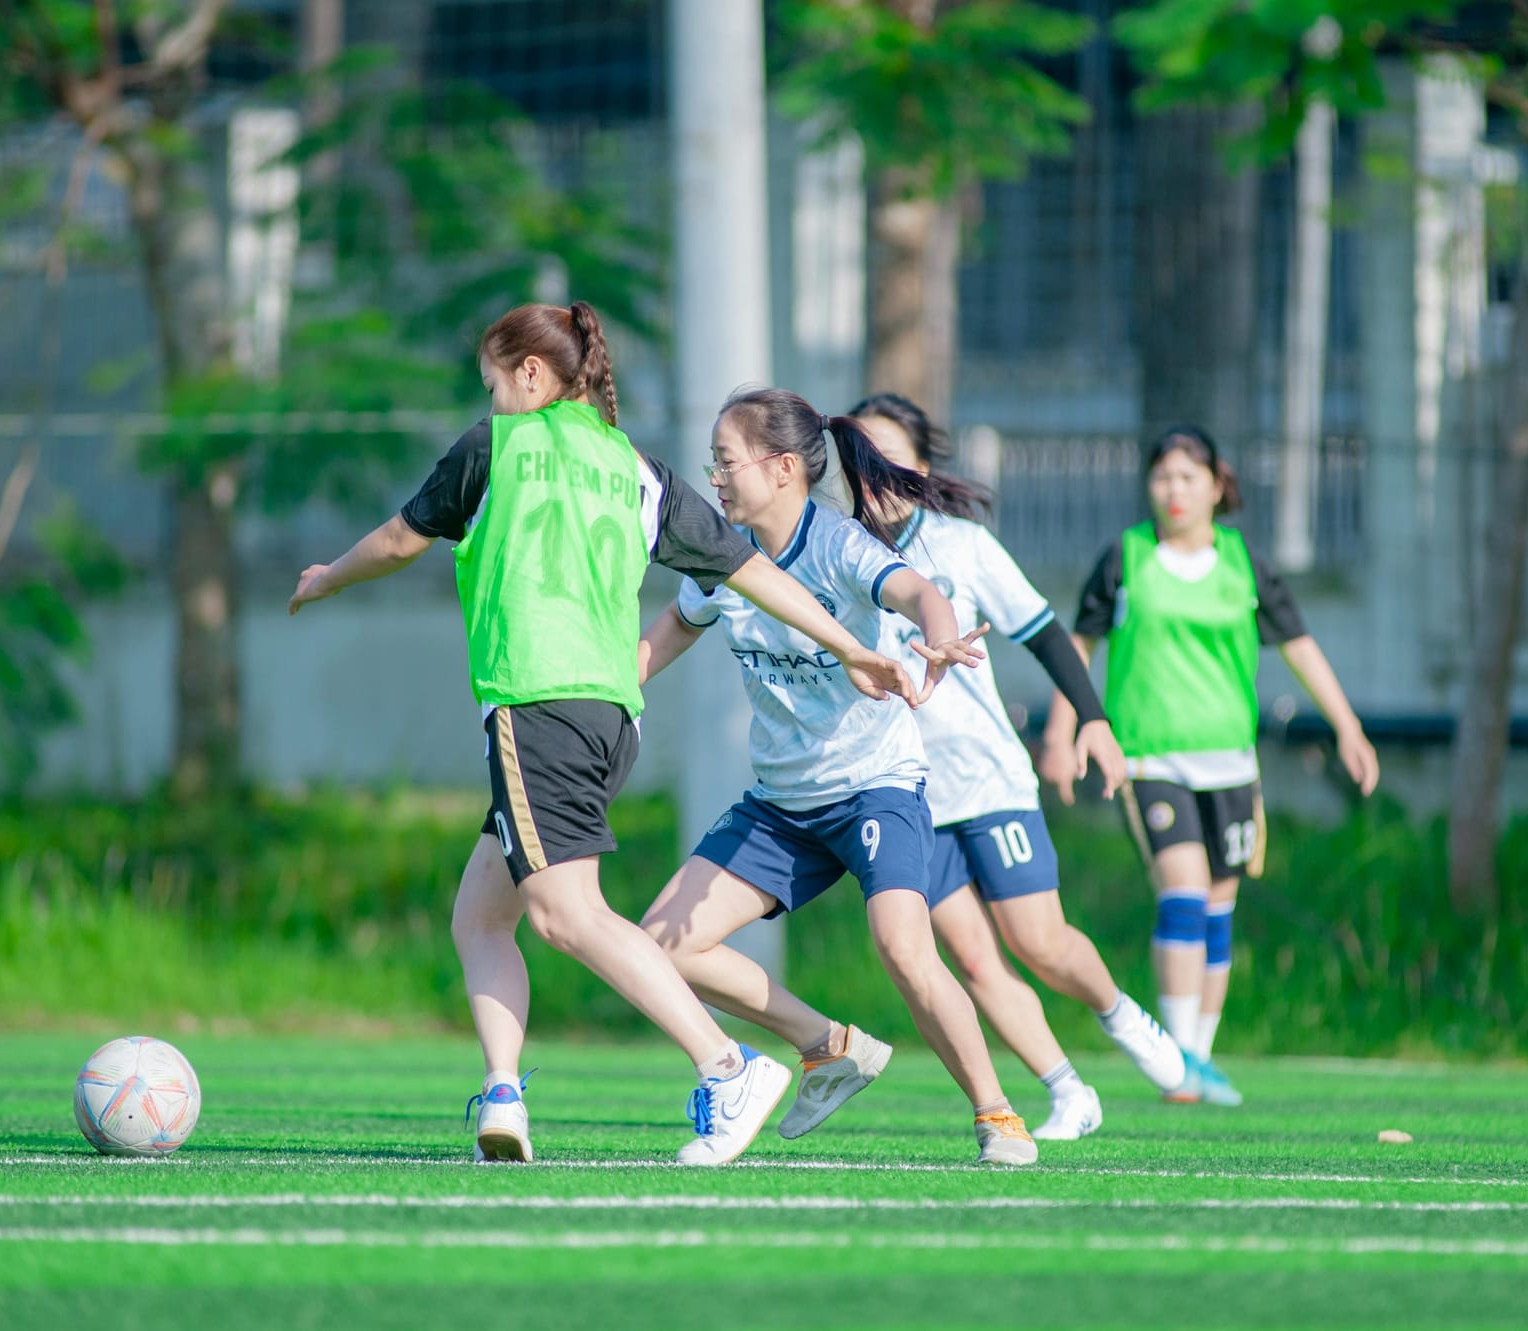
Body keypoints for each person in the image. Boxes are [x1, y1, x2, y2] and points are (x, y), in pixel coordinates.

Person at [288, 302, 927, 1166]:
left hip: (537, 703)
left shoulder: (495, 446)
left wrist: (328, 576)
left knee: (566, 913)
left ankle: (727, 1066)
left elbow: (403, 539)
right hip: (609, 713)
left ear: (530, 375)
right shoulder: (637, 467)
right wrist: (851, 644)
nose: (491, 399)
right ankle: (504, 1094)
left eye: (492, 384)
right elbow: (748, 571)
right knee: (481, 917)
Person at [637, 386, 1037, 1165]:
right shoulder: (718, 557)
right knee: (662, 942)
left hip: (873, 785)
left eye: (725, 460)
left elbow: (920, 592)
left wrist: (939, 638)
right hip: (782, 804)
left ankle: (998, 1115)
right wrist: (603, 694)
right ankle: (828, 1046)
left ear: (782, 468)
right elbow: (657, 643)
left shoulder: (838, 546)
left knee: (903, 948)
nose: (713, 477)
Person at [847, 392, 1186, 1141]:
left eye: (886, 451)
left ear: (921, 466)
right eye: (857, 452)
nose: (870, 468)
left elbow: (1043, 631)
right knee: (971, 957)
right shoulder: (839, 549)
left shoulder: (961, 546)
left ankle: (1119, 1012)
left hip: (988, 777)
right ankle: (1068, 1091)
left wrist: (1091, 721)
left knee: (1039, 941)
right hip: (906, 788)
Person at [1041, 424, 1379, 1106]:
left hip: (1230, 764)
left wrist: (1348, 726)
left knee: (1219, 910)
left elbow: (1299, 644)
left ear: (1217, 485)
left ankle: (1198, 1055)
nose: (1173, 490)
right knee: (1184, 889)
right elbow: (1076, 645)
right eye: (1162, 476)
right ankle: (1176, 1063)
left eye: (1187, 477)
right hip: (1147, 758)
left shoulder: (1245, 565)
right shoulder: (1125, 559)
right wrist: (1061, 731)